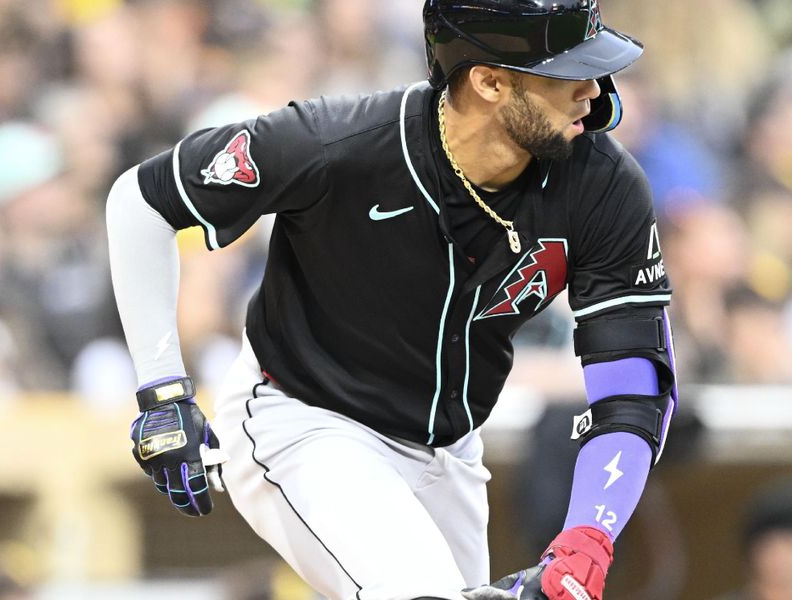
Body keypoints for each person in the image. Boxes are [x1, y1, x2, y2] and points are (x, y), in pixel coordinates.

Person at [106, 1, 677, 599]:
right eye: (568, 70)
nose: (595, 87)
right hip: (305, 417)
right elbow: (139, 202)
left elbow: (633, 393)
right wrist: (163, 390)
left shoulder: (604, 184)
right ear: (488, 80)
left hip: (448, 450)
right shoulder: (336, 142)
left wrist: (589, 534)